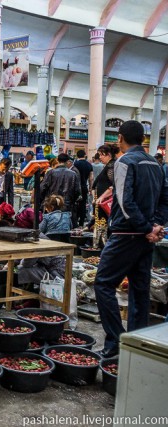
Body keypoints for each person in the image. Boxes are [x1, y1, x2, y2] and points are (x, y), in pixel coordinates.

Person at [94, 120, 168, 358]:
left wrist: (147, 227)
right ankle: (136, 347)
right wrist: (157, 225)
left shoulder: (124, 161)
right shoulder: (156, 164)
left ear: (120, 138)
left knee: (103, 283)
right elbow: (165, 199)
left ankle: (117, 340)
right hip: (146, 238)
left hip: (126, 234)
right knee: (139, 290)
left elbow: (125, 202)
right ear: (143, 139)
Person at [14, 208, 65, 286]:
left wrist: (15, 264)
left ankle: (23, 293)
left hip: (56, 274)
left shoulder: (35, 239)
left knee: (21, 271)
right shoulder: (34, 235)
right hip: (50, 269)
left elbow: (27, 263)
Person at [39, 152, 81, 227]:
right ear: (67, 161)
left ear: (57, 160)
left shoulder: (51, 173)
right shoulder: (73, 174)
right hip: (67, 205)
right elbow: (77, 191)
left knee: (50, 225)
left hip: (52, 204)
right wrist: (72, 201)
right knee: (65, 226)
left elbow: (42, 188)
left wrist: (43, 201)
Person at [92, 144, 117, 219]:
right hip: (103, 201)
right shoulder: (108, 165)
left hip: (106, 202)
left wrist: (102, 197)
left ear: (108, 154)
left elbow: (114, 185)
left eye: (101, 155)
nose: (99, 157)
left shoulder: (111, 166)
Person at [73, 150, 93, 227]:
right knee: (83, 205)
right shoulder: (89, 165)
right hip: (84, 187)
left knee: (75, 204)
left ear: (77, 156)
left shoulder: (75, 164)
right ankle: (81, 223)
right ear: (85, 155)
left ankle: (75, 222)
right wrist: (90, 188)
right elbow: (91, 178)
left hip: (76, 187)